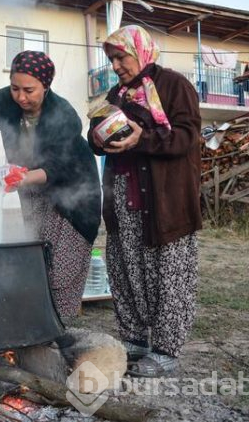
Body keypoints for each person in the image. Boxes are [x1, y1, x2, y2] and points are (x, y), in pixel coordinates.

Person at [88, 25, 202, 377]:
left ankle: (166, 350)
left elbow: (186, 137)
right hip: (124, 199)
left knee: (167, 274)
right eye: (111, 59)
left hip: (165, 202)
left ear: (142, 50)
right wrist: (97, 137)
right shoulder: (116, 94)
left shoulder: (173, 86)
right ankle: (134, 340)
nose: (117, 65)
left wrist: (142, 139)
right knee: (126, 269)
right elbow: (96, 137)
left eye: (121, 56)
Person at [0, 50, 101, 321]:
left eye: (29, 90)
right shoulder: (4, 100)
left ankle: (58, 327)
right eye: (15, 88)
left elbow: (59, 167)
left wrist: (21, 178)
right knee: (37, 258)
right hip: (30, 188)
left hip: (73, 195)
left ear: (46, 86)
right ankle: (37, 320)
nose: (21, 97)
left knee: (62, 267)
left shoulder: (63, 114)